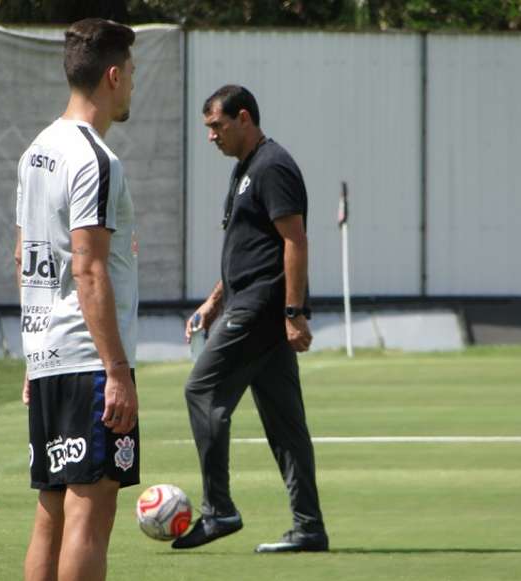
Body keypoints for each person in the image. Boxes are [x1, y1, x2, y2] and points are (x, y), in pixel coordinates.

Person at [173, 85, 329, 553]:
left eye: (216, 126)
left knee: (200, 389)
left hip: (262, 310)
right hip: (249, 305)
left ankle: (218, 510)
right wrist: (213, 301)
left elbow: (294, 241)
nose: (211, 136)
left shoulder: (272, 166)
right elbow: (251, 249)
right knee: (286, 425)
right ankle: (309, 528)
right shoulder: (246, 169)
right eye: (208, 129)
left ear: (244, 118)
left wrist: (294, 312)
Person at [14, 18, 139, 581]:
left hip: (48, 355)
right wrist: (117, 370)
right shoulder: (95, 159)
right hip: (89, 361)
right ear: (112, 76)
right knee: (91, 510)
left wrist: (32, 354)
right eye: (132, 73)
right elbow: (88, 270)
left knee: (52, 511)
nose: (133, 85)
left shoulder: (36, 151)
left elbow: (24, 256)